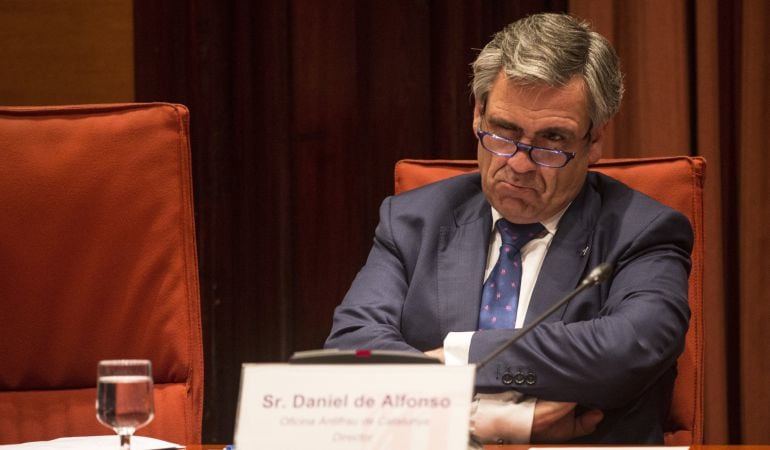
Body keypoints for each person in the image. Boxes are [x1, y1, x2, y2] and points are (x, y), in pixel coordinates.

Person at [325, 12, 692, 444]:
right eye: (503, 131)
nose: (518, 163)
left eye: (552, 140)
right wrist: (488, 421)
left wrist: (462, 357)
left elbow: (629, 346)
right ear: (478, 115)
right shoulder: (414, 221)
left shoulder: (644, 231)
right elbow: (353, 349)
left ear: (593, 142)